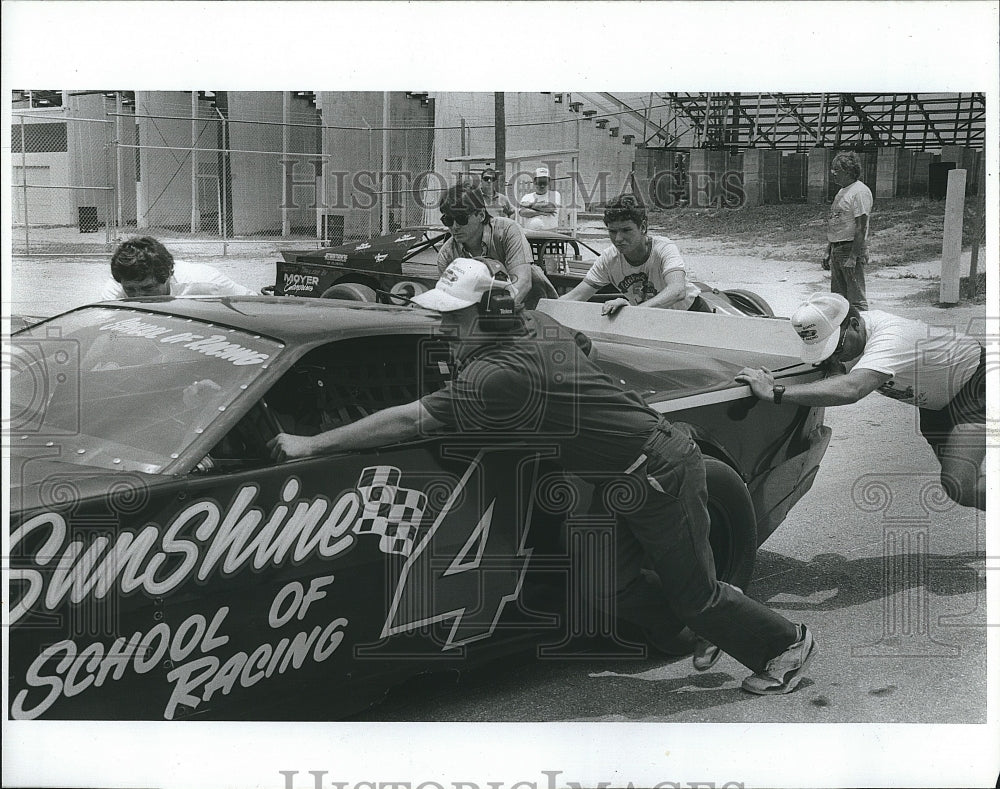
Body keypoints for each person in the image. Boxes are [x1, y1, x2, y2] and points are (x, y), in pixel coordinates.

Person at [269, 258, 819, 695]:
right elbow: (583, 349)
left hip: (655, 468)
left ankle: (786, 645)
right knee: (606, 583)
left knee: (696, 595)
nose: (442, 324)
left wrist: (311, 444)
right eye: (441, 313)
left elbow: (410, 417)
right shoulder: (532, 322)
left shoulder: (497, 372)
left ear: (484, 311)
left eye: (453, 316)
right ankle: (713, 625)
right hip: (617, 471)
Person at [736, 292, 986, 511]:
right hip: (938, 402)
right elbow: (836, 372)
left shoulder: (893, 337)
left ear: (855, 324)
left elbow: (852, 389)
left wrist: (775, 392)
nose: (834, 356)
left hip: (977, 384)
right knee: (966, 484)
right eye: (825, 350)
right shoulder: (850, 337)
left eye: (836, 347)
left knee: (961, 484)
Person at [560, 194, 711, 315]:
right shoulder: (608, 259)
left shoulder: (664, 248)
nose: (618, 239)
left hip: (692, 314)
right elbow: (576, 297)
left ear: (643, 227)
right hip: (650, 318)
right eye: (612, 231)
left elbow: (677, 291)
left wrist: (633, 311)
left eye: (626, 230)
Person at [436, 183, 553, 307]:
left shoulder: (507, 230)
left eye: (461, 219)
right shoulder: (446, 255)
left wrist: (496, 314)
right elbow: (448, 297)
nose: (454, 227)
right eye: (448, 220)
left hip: (531, 308)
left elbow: (522, 283)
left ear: (481, 215)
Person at [101, 236, 254, 299]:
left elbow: (254, 306)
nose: (139, 298)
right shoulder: (115, 291)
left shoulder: (206, 281)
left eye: (148, 289)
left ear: (169, 274)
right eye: (131, 290)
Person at [824, 152, 872, 311]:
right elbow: (836, 223)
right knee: (838, 300)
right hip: (837, 249)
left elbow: (861, 226)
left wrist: (853, 257)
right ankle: (844, 333)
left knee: (856, 299)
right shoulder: (841, 192)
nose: (833, 173)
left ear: (848, 170)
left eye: (836, 169)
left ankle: (862, 332)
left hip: (850, 248)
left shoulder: (859, 192)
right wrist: (828, 250)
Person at [518, 166, 562, 231]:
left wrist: (530, 205)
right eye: (539, 182)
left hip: (550, 232)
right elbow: (522, 212)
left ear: (549, 182)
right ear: (534, 182)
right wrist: (541, 212)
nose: (542, 185)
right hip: (531, 233)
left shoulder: (555, 194)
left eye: (545, 182)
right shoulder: (527, 196)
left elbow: (550, 207)